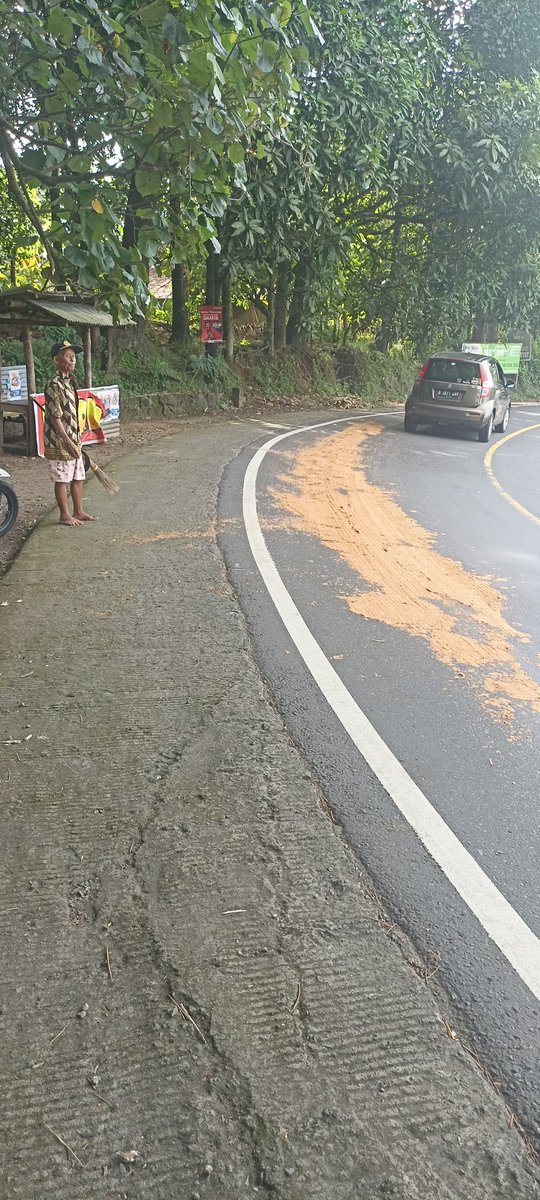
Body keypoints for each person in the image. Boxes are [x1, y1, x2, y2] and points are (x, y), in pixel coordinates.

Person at [43, 340, 97, 526]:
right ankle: (65, 515)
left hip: (74, 437)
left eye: (73, 356)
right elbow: (55, 417)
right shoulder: (54, 384)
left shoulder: (69, 382)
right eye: (67, 356)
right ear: (56, 360)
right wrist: (67, 441)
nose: (72, 359)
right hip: (59, 440)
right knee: (62, 477)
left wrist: (76, 438)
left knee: (78, 475)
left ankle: (78, 511)